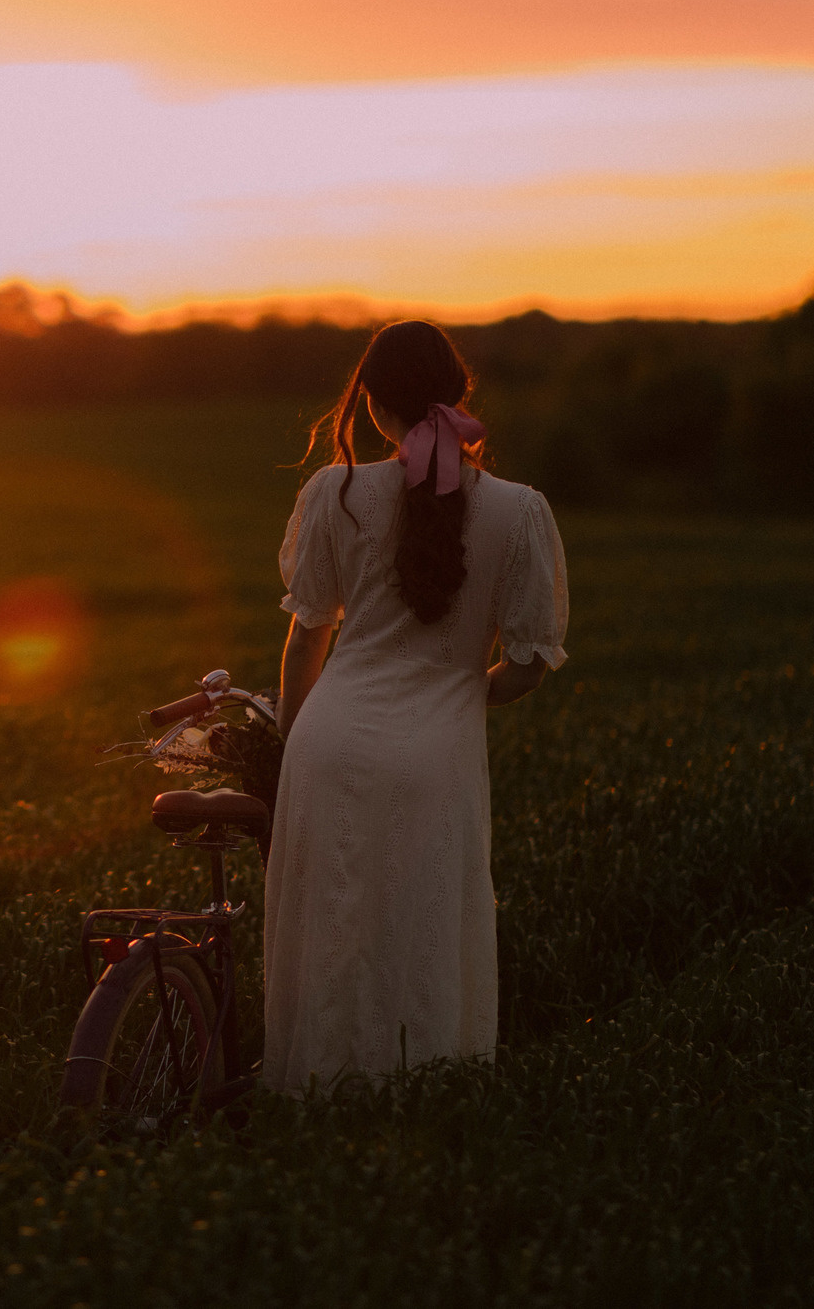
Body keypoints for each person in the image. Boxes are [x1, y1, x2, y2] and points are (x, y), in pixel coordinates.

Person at [261, 320, 568, 1093]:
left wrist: (287, 749)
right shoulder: (519, 511)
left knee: (328, 933)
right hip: (436, 753)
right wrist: (464, 691)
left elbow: (305, 641)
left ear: (372, 403)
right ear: (456, 393)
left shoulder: (333, 493)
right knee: (423, 937)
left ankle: (313, 1103)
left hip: (326, 745)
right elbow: (529, 665)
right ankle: (420, 1101)